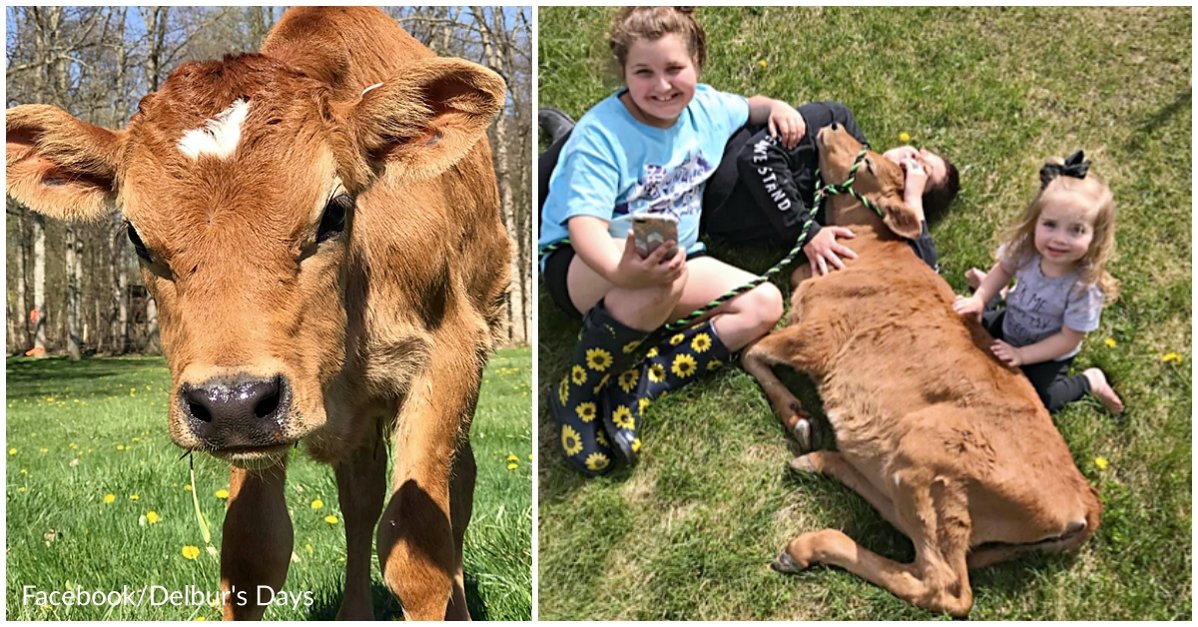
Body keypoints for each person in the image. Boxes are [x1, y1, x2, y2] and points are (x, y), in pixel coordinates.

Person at [539, 7, 796, 476]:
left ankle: (641, 380)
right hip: (582, 262)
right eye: (644, 73)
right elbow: (585, 228)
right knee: (657, 268)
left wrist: (776, 108)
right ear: (624, 73)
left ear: (697, 62)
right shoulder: (601, 135)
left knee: (763, 304)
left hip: (673, 253)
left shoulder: (708, 110)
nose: (662, 86)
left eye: (675, 69)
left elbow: (750, 105)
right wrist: (623, 272)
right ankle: (577, 390)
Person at [953, 151, 1124, 415]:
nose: (1059, 239)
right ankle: (990, 293)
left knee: (1043, 401)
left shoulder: (1084, 287)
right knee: (962, 329)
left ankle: (1090, 381)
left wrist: (1022, 357)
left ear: (1095, 236)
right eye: (1050, 224)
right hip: (1011, 322)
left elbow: (1067, 340)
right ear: (1036, 222)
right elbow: (1004, 268)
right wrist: (980, 299)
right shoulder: (1027, 249)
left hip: (1047, 354)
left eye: (1076, 230)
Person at [702, 101, 961, 275]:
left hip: (694, 225)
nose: (909, 160)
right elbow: (756, 158)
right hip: (695, 165)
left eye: (919, 171)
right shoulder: (837, 124)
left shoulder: (857, 223)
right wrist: (807, 232)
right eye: (918, 153)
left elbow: (924, 274)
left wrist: (913, 202)